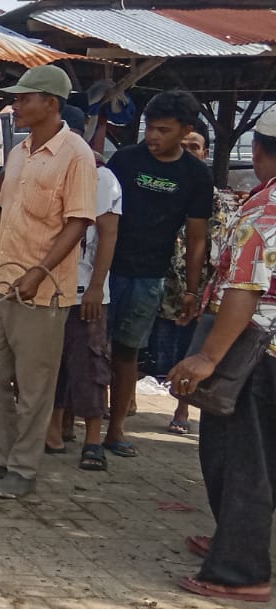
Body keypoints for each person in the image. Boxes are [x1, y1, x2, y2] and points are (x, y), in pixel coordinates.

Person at [0, 65, 97, 500]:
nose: (15, 105)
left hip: (45, 288)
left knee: (35, 383)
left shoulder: (76, 155)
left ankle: (22, 467)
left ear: (50, 104)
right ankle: (2, 455)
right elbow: (5, 218)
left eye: (24, 99)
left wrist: (40, 270)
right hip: (2, 281)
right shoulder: (18, 153)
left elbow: (78, 223)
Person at [168, 106, 276, 604]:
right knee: (261, 460)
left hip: (254, 349)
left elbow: (245, 290)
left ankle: (239, 568)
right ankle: (238, 540)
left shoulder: (263, 210)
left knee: (237, 459)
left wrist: (208, 358)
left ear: (258, 151)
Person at [101, 90, 213, 458]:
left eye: (163, 130)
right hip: (105, 269)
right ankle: (71, 423)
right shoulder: (125, 161)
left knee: (126, 353)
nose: (153, 136)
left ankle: (115, 429)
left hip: (150, 277)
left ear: (186, 130)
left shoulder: (196, 175)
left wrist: (191, 291)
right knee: (90, 348)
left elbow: (197, 238)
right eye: (150, 128)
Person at [46, 152, 122, 471]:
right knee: (51, 364)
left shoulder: (101, 178)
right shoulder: (46, 169)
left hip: (85, 287)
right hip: (48, 287)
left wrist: (96, 285)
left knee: (90, 365)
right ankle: (53, 431)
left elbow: (108, 234)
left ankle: (93, 439)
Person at [161, 131, 239, 435]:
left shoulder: (217, 200)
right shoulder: (165, 189)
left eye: (194, 147)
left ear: (205, 153)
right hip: (162, 282)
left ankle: (182, 408)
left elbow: (219, 248)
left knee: (190, 348)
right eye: (183, 147)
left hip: (199, 288)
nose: (188, 152)